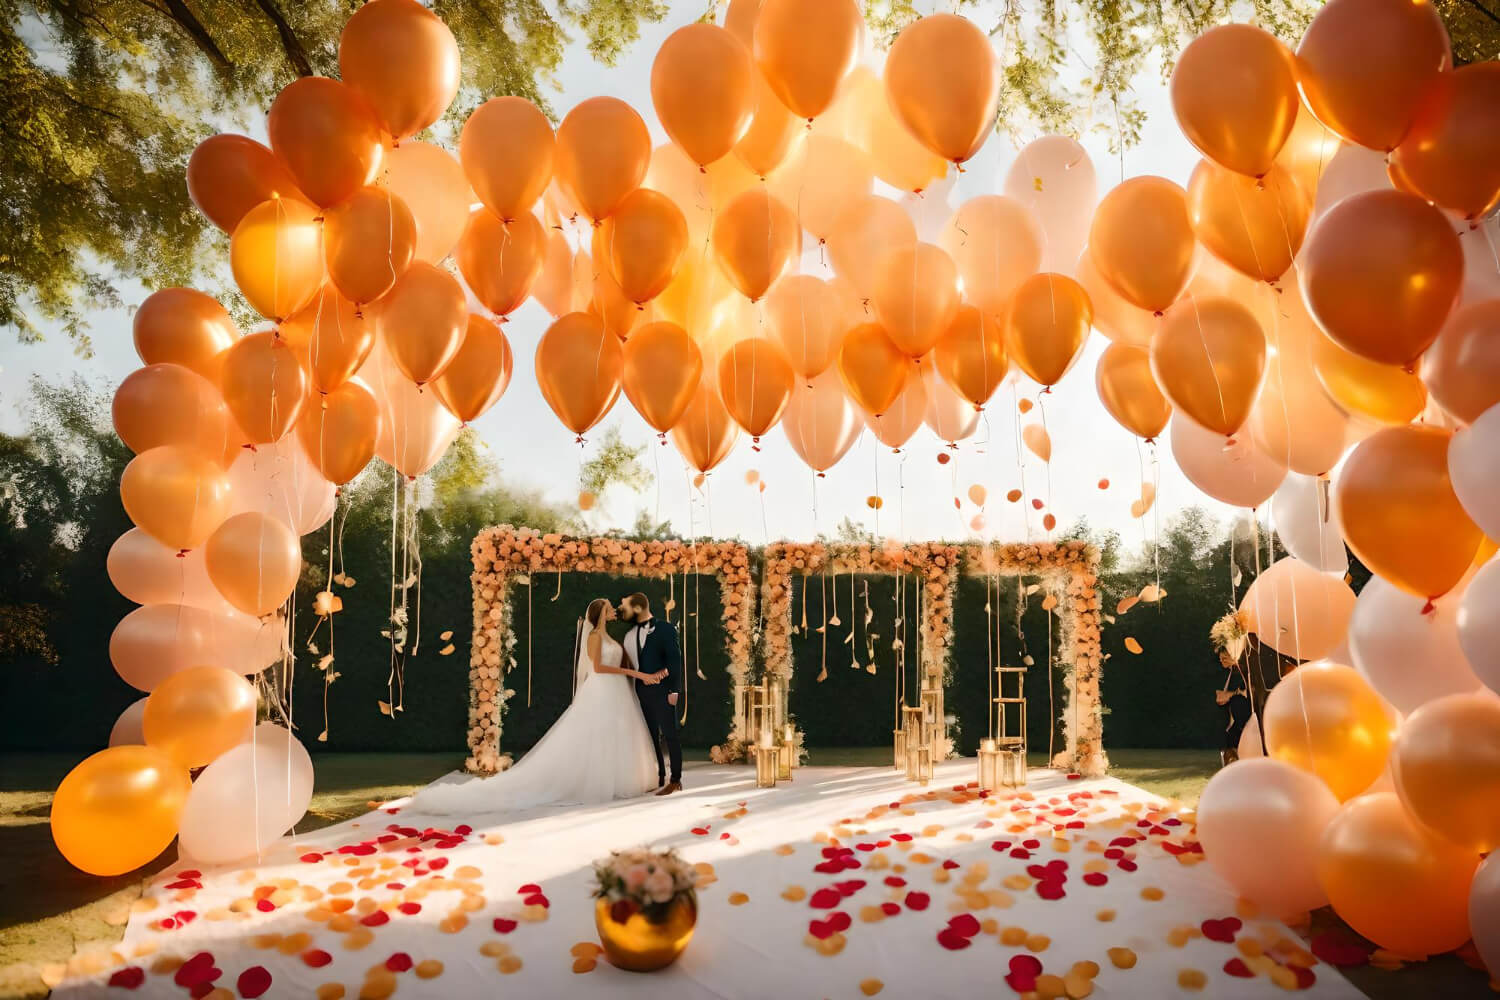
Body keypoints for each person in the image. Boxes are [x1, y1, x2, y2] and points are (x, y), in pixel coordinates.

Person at [408, 598, 664, 812]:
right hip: (602, 690)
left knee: (614, 735)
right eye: (608, 607)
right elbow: (597, 667)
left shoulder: (609, 637)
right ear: (600, 614)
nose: (613, 610)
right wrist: (633, 674)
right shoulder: (596, 637)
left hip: (615, 691)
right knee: (595, 736)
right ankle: (597, 782)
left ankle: (621, 780)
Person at [619, 592, 684, 795]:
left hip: (664, 691)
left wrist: (675, 690)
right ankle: (660, 776)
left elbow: (674, 660)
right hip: (640, 693)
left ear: (637, 608)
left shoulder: (665, 629)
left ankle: (675, 780)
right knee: (650, 736)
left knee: (670, 735)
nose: (623, 610)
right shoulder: (629, 635)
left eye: (626, 606)